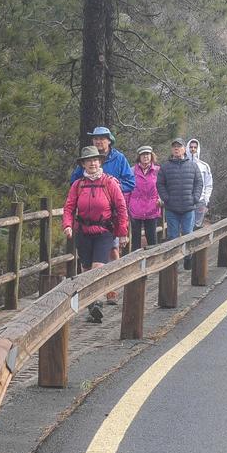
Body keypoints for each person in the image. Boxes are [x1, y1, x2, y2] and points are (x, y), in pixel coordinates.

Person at [63, 146, 129, 323]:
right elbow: (69, 207)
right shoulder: (78, 185)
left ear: (100, 162)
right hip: (83, 232)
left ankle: (96, 302)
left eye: (95, 160)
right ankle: (93, 305)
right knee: (85, 270)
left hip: (104, 231)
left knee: (98, 267)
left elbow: (122, 208)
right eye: (88, 160)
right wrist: (67, 225)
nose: (92, 163)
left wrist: (122, 233)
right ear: (83, 164)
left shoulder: (109, 183)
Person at [69, 126, 134, 303]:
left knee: (113, 252)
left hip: (110, 217)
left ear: (109, 140)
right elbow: (74, 181)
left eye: (102, 139)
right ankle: (95, 297)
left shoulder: (119, 158)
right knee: (90, 263)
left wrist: (111, 187)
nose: (98, 142)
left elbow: (130, 182)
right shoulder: (86, 161)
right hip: (89, 220)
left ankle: (111, 289)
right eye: (96, 139)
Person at [157, 138, 203, 267]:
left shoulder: (193, 166)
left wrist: (195, 198)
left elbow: (199, 182)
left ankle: (188, 259)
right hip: (172, 208)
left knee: (188, 234)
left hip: (189, 207)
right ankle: (174, 262)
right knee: (173, 236)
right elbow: (160, 184)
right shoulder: (165, 167)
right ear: (172, 149)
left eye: (179, 146)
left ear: (184, 149)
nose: (176, 149)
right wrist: (166, 198)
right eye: (174, 147)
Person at [126, 146, 162, 251]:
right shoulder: (131, 171)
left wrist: (161, 199)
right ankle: (135, 264)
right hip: (135, 209)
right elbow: (127, 190)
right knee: (135, 240)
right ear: (139, 157)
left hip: (152, 208)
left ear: (152, 156)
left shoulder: (157, 170)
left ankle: (153, 264)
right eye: (143, 154)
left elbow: (162, 186)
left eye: (148, 154)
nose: (145, 156)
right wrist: (126, 206)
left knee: (152, 239)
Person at [187, 138, 214, 228]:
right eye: (191, 147)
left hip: (200, 201)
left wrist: (206, 199)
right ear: (187, 148)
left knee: (197, 226)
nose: (193, 149)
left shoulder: (204, 166)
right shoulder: (182, 165)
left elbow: (208, 184)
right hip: (186, 201)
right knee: (187, 227)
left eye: (195, 147)